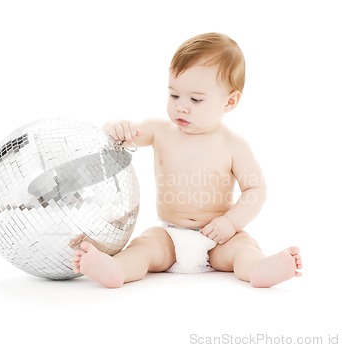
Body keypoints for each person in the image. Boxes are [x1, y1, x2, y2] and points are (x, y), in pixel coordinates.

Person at [70, 32, 302, 288]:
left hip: (218, 240)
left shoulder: (233, 145)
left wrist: (230, 222)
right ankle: (117, 270)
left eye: (195, 99)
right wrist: (116, 126)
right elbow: (119, 136)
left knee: (244, 248)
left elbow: (255, 189)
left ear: (230, 101)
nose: (181, 106)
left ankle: (259, 269)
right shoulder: (160, 131)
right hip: (170, 234)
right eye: (174, 95)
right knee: (145, 247)